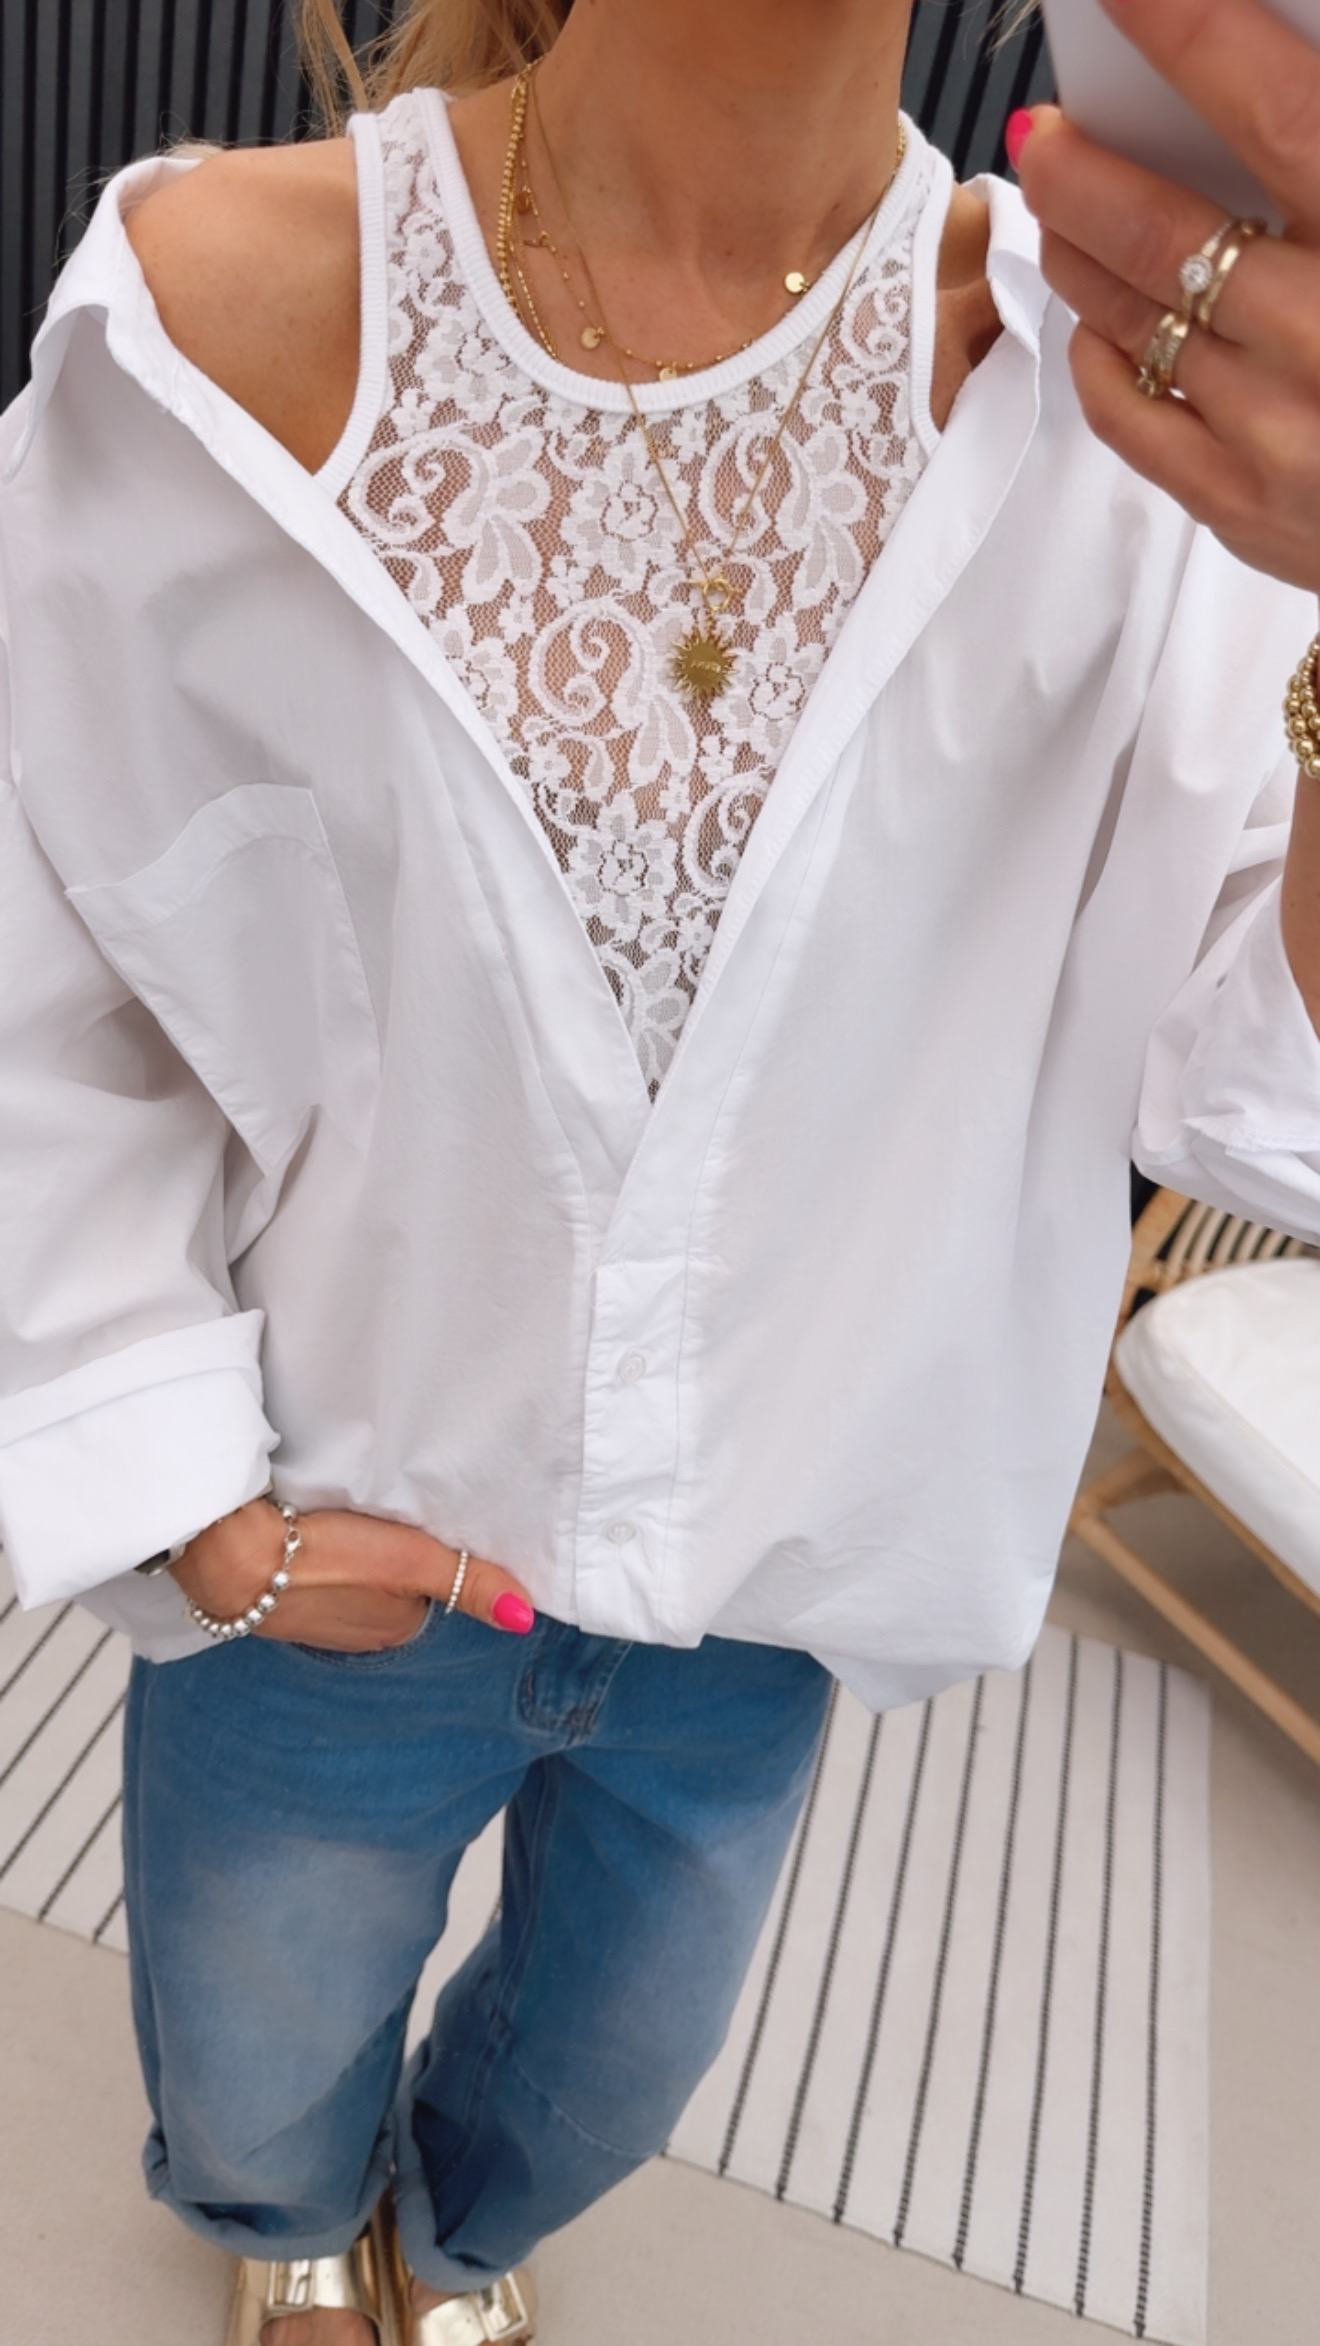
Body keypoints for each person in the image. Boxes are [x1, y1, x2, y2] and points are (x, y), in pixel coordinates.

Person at [1, 0, 1319, 2337]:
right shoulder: (218, 316)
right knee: (255, 2025)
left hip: (768, 1594)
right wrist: (172, 1484)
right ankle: (289, 2233)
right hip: (344, 1526)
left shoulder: (1131, 426)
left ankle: (461, 2240)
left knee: (610, 2067)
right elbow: (53, 961)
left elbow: (1247, 1091)